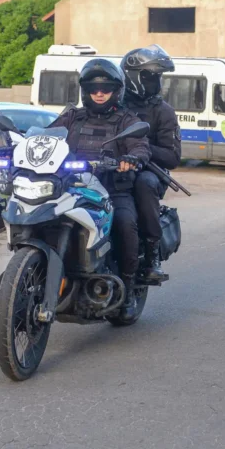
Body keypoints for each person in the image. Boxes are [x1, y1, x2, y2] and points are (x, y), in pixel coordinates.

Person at [50, 59, 150, 311]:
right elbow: (46, 136)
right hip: (70, 189)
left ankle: (127, 290)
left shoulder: (126, 119)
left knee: (125, 224)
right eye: (94, 88)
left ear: (116, 90)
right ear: (85, 90)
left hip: (112, 190)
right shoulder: (72, 116)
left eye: (105, 87)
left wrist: (132, 158)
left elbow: (140, 145)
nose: (99, 92)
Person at [121, 44, 181, 282]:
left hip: (150, 172)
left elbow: (172, 157)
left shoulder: (163, 111)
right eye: (149, 76)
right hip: (114, 168)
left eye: (157, 76)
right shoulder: (115, 103)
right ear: (132, 76)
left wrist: (140, 146)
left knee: (144, 184)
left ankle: (152, 253)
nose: (156, 81)